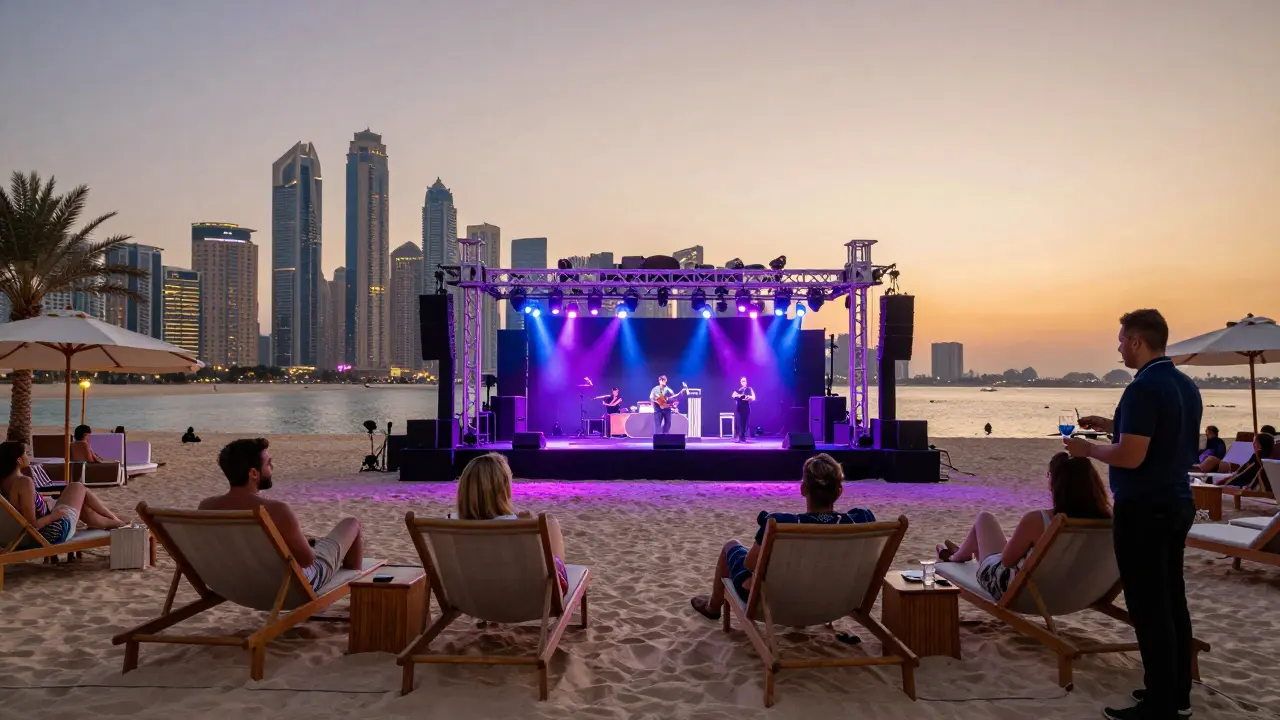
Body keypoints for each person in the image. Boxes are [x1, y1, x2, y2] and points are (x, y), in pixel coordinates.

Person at [1066, 309, 1200, 720]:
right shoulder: (1184, 384)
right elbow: (1160, 437)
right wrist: (1111, 423)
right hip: (1177, 501)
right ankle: (1175, 694)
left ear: (1139, 341)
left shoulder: (1143, 388)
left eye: (1123, 339)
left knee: (1148, 606)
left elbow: (1131, 455)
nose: (1119, 346)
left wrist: (1087, 450)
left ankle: (1161, 705)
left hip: (1145, 507)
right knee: (1171, 600)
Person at [689, 453, 875, 619]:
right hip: (835, 598)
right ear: (839, 492)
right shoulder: (860, 520)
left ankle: (713, 607)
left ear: (803, 489)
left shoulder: (780, 523)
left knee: (731, 546)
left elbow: (750, 564)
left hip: (782, 600)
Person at [936, 452, 1111, 600]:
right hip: (1074, 593)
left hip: (1021, 590)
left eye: (1048, 475)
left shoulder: (1038, 520)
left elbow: (1007, 561)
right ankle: (961, 553)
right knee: (1000, 538)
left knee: (984, 519)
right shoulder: (1107, 523)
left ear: (1056, 482)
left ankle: (955, 558)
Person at [199, 438, 364, 592]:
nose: (273, 467)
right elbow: (307, 561)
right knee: (352, 523)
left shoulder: (206, 507)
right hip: (285, 585)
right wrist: (308, 547)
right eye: (269, 463)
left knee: (311, 540)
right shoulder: (276, 510)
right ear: (254, 474)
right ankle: (356, 591)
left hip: (233, 583)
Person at [454, 453, 568, 592]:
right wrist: (531, 524)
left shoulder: (449, 527)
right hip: (528, 600)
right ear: (503, 489)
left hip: (474, 598)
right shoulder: (520, 527)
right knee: (550, 520)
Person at [0, 441, 128, 545]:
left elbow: (19, 511)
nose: (28, 456)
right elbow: (32, 525)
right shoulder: (24, 482)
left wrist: (42, 502)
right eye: (25, 453)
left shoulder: (4, 483)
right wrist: (53, 516)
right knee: (77, 486)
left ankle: (111, 521)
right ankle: (114, 520)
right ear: (19, 460)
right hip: (51, 532)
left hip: (19, 537)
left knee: (79, 499)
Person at [731, 377, 756, 443]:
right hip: (739, 408)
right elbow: (733, 396)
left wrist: (748, 397)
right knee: (739, 423)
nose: (743, 382)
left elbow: (753, 397)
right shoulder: (738, 390)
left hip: (746, 408)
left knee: (745, 423)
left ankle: (743, 437)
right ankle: (739, 437)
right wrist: (738, 396)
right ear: (740, 382)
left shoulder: (749, 389)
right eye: (742, 381)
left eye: (744, 381)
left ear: (746, 382)